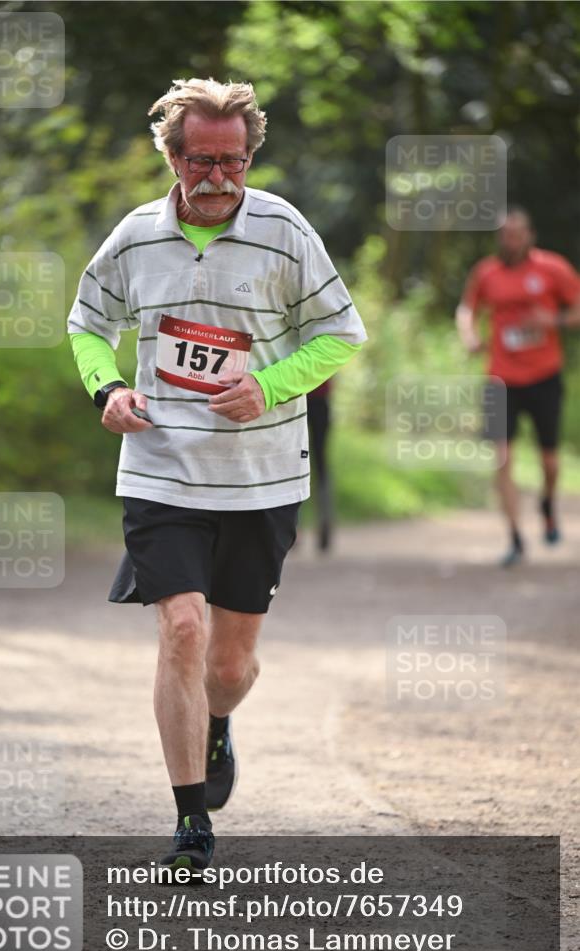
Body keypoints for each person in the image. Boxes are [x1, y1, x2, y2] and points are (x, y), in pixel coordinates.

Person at [67, 79, 366, 871]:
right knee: (181, 630)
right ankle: (190, 821)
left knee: (228, 666)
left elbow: (342, 333)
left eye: (233, 161)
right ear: (171, 156)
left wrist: (267, 385)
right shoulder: (134, 237)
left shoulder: (284, 230)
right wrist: (109, 387)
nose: (219, 176)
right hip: (162, 468)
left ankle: (218, 721)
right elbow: (87, 322)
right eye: (202, 160)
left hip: (262, 475)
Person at [456, 208, 580, 567]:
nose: (512, 240)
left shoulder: (552, 268)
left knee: (551, 462)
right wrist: (469, 335)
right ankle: (515, 538)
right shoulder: (486, 272)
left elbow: (577, 309)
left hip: (544, 376)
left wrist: (552, 319)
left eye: (518, 233)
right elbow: (467, 308)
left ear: (530, 235)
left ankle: (547, 503)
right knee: (503, 458)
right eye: (506, 234)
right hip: (500, 378)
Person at [306, 379, 334, 551]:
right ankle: (294, 526)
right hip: (293, 397)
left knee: (320, 466)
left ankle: (325, 524)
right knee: (319, 465)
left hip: (316, 398)